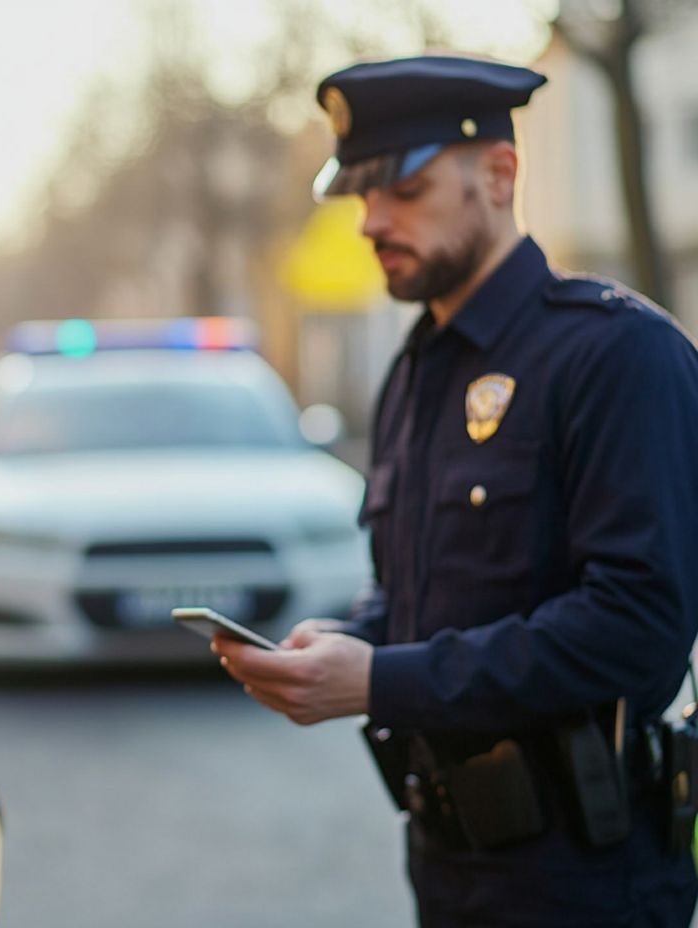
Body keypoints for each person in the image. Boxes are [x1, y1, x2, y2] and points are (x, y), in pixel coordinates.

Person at [214, 55, 698, 926]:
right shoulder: (415, 373)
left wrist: (382, 679)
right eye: (361, 196)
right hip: (448, 860)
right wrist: (349, 639)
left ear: (501, 175)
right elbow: (421, 591)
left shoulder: (616, 355)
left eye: (405, 189)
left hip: (586, 876)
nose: (372, 221)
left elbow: (639, 626)